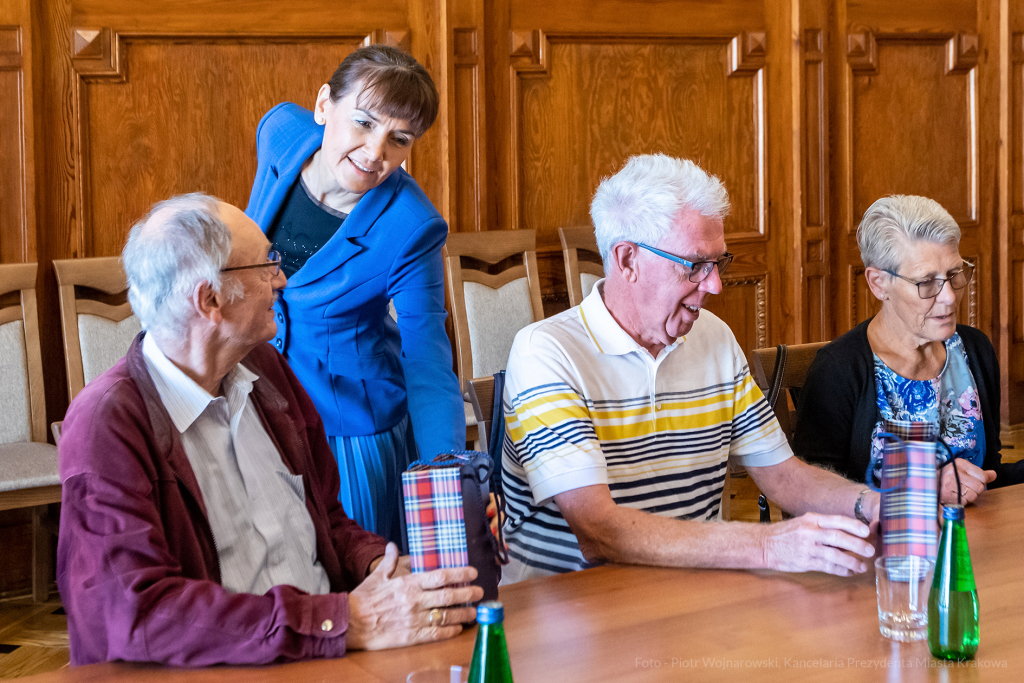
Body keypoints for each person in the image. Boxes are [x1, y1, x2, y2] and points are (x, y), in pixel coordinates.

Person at [56, 194, 481, 667]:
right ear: (210, 299)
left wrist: (380, 566)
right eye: (266, 265)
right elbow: (140, 612)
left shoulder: (266, 370)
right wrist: (339, 620)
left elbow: (327, 521)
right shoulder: (107, 424)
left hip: (324, 654)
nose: (282, 278)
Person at [499, 154, 881, 584]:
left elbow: (784, 478)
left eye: (718, 263)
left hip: (693, 600)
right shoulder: (547, 352)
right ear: (627, 260)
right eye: (696, 264)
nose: (715, 284)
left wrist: (877, 505)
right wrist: (770, 545)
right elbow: (597, 530)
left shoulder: (713, 337)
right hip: (569, 617)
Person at [245, 45, 464, 546]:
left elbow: (427, 360)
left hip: (349, 434)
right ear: (324, 106)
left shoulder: (412, 226)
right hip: (258, 412)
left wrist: (445, 481)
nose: (374, 152)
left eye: (399, 138)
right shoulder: (279, 134)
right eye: (363, 123)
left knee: (357, 589)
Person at [794, 194, 1024, 504]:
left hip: (972, 541)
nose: (950, 298)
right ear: (878, 284)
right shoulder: (838, 371)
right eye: (927, 282)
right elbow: (810, 498)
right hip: (880, 547)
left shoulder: (974, 350)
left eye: (955, 275)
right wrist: (925, 488)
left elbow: (988, 474)